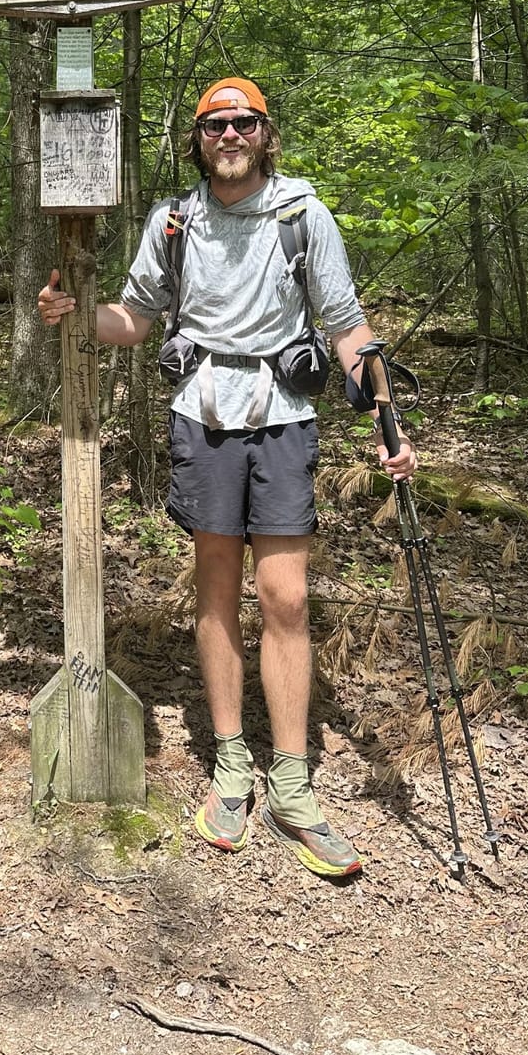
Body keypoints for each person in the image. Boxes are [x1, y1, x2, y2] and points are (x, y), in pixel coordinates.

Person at [38, 76, 416, 877]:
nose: (230, 135)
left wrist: (387, 421)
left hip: (284, 417)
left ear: (265, 132)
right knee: (214, 588)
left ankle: (292, 784)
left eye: (243, 123)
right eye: (215, 125)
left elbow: (347, 324)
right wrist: (75, 310)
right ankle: (231, 766)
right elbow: (133, 321)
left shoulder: (302, 215)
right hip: (203, 418)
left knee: (285, 596)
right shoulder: (175, 221)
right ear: (200, 139)